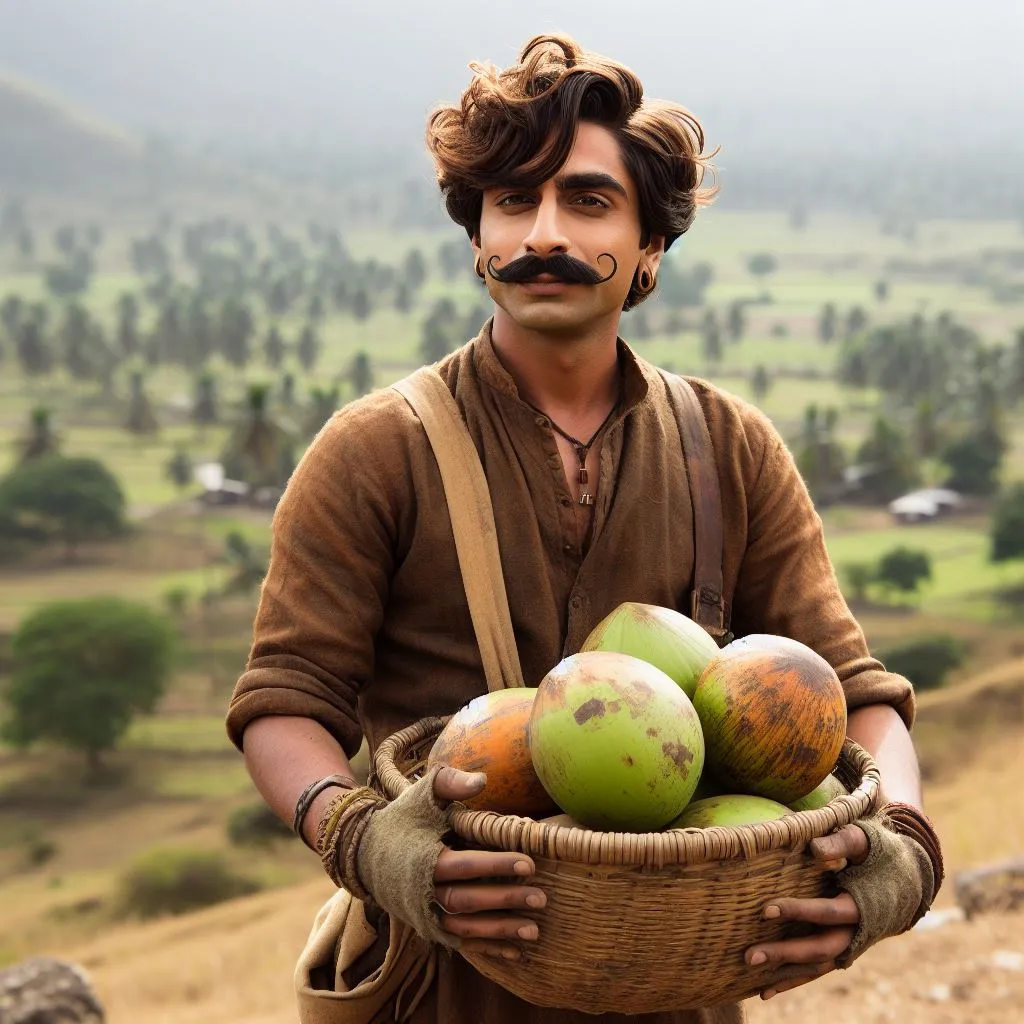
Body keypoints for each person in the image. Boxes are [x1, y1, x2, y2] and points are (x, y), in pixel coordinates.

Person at [226, 33, 943, 1024]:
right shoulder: (374, 448)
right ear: (477, 235)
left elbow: (851, 696)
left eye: (588, 201)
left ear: (651, 245)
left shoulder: (729, 446)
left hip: (682, 985)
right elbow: (282, 703)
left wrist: (901, 847)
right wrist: (361, 839)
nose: (542, 232)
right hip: (441, 985)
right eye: (512, 201)